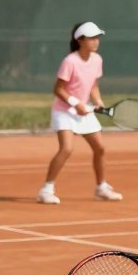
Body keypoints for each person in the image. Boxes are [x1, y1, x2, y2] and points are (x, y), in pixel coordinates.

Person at [37, 21, 123, 204]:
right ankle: (46, 190)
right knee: (67, 149)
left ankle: (101, 187)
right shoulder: (70, 61)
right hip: (64, 111)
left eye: (97, 37)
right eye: (92, 38)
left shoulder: (97, 60)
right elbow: (58, 89)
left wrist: (98, 101)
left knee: (100, 148)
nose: (96, 41)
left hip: (84, 111)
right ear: (80, 40)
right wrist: (75, 103)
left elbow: (93, 85)